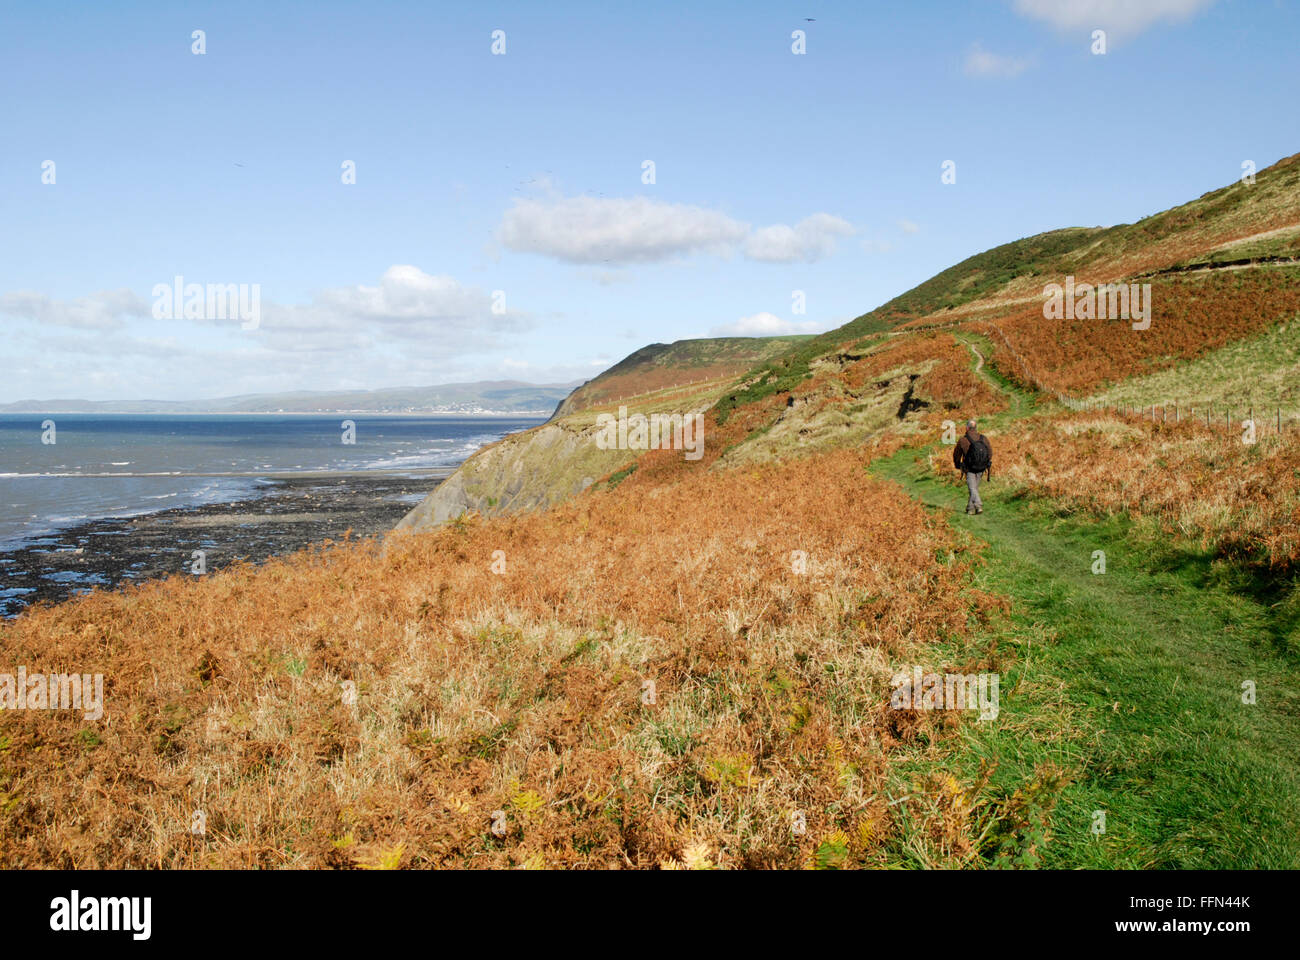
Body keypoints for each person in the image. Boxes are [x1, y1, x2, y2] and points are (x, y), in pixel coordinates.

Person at [953, 420, 991, 515]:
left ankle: (978, 504)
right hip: (981, 467)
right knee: (974, 488)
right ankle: (970, 508)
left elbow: (956, 454)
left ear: (967, 428)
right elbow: (990, 452)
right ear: (976, 428)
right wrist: (984, 462)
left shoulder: (963, 440)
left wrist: (958, 465)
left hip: (969, 468)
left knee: (972, 488)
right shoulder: (983, 438)